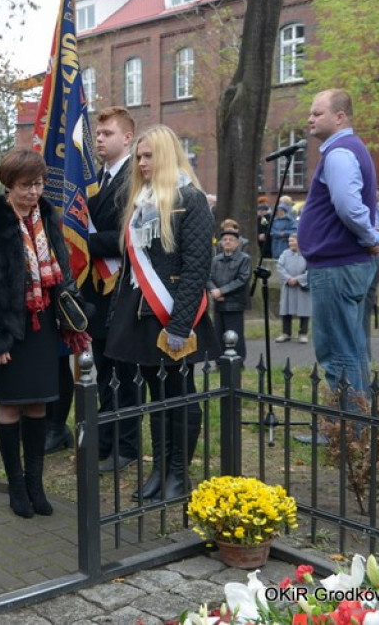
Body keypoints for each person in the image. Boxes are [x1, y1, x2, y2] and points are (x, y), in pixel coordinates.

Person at [0, 148, 89, 518]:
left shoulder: (48, 216)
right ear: (9, 186)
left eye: (37, 184)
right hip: (9, 329)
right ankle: (16, 487)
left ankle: (36, 484)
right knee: (10, 406)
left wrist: (73, 316)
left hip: (42, 328)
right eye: (25, 185)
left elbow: (63, 269)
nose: (33, 192)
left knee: (39, 403)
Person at [105, 125, 217, 501]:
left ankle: (178, 474)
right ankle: (160, 469)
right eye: (138, 156)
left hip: (173, 317)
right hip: (142, 316)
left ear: (166, 155)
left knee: (181, 393)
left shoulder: (192, 199)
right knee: (156, 396)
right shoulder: (140, 204)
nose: (141, 162)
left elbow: (196, 268)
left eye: (148, 155)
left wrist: (181, 324)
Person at [297, 89, 379, 415]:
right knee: (353, 345)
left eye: (317, 113)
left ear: (340, 117)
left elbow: (349, 207)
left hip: (337, 266)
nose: (310, 118)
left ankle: (349, 430)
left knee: (337, 349)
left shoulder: (339, 152)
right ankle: (358, 424)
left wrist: (368, 236)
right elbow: (366, 202)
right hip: (348, 262)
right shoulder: (353, 149)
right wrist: (372, 234)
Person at [75, 105, 139, 469]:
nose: (99, 139)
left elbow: (129, 235)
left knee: (124, 374)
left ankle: (127, 447)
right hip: (96, 291)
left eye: (108, 134)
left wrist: (83, 241)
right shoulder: (96, 179)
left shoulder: (135, 177)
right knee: (102, 369)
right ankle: (104, 439)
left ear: (127, 137)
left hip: (123, 287)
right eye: (98, 134)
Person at [207, 226, 252, 361]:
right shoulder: (216, 259)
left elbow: (242, 279)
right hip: (218, 303)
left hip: (234, 303)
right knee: (218, 333)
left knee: (235, 333)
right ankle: (220, 361)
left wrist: (222, 291)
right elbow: (208, 277)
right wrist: (213, 291)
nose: (227, 242)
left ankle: (237, 361)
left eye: (231, 239)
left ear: (237, 243)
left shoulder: (244, 259)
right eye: (224, 239)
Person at [276, 235, 311, 343]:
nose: (290, 243)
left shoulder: (307, 253)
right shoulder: (285, 254)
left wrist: (299, 279)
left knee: (304, 310)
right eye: (289, 241)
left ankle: (303, 333)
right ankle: (286, 333)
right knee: (286, 309)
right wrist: (288, 278)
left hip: (302, 286)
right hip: (288, 285)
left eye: (293, 241)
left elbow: (311, 269)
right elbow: (279, 267)